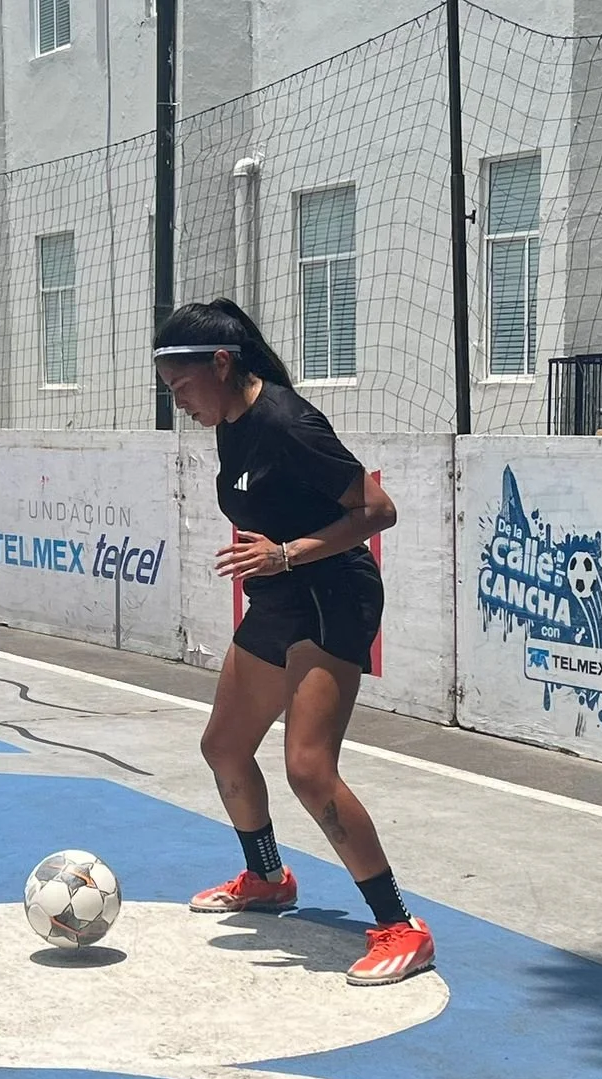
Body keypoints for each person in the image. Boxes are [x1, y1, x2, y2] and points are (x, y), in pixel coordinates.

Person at [153, 298, 435, 986]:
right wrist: (277, 564)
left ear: (221, 365)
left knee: (309, 767)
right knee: (223, 746)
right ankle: (268, 877)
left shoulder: (288, 423)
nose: (180, 404)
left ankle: (401, 927)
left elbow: (376, 511)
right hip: (281, 594)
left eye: (183, 388)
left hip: (332, 592)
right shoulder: (233, 421)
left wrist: (286, 554)